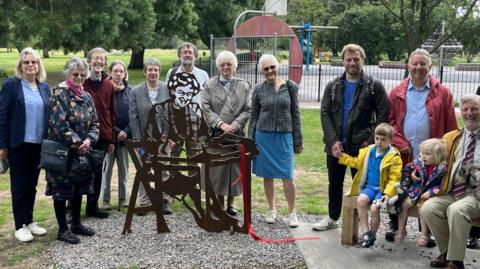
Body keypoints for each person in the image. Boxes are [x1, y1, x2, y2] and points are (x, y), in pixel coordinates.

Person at [386, 48, 457, 242]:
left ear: (430, 67)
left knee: (429, 190)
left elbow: (451, 125)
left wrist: (446, 152)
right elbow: (390, 122)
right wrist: (400, 143)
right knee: (400, 187)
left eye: (422, 64)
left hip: (432, 154)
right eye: (414, 63)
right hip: (405, 152)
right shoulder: (397, 91)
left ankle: (428, 231)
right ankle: (395, 227)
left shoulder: (442, 92)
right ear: (408, 65)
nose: (418, 67)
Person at [316, 43, 389, 231]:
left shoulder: (374, 86)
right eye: (348, 59)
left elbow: (383, 114)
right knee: (335, 183)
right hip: (336, 147)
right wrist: (332, 141)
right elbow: (325, 113)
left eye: (356, 59)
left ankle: (360, 221)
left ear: (362, 60)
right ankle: (332, 218)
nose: (352, 63)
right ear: (343, 61)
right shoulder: (332, 86)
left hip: (362, 147)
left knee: (363, 183)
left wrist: (371, 141)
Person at [423, 94, 480, 269]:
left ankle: (455, 262)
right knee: (429, 208)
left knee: (456, 210)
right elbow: (433, 155)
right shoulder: (453, 137)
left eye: (474, 109)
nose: (469, 113)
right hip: (454, 190)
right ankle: (447, 254)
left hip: (476, 194)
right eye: (465, 109)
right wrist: (417, 170)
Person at [46, 57, 99, 244]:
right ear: (68, 74)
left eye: (83, 75)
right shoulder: (59, 94)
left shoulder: (87, 96)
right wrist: (79, 144)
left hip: (82, 153)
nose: (79, 78)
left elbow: (95, 124)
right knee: (61, 191)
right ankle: (62, 229)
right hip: (63, 153)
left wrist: (89, 141)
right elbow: (60, 125)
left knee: (78, 189)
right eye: (75, 74)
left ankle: (76, 224)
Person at [0, 48, 50, 242]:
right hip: (18, 144)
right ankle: (19, 225)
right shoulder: (12, 85)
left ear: (39, 66)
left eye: (34, 62)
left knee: (32, 184)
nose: (30, 65)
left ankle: (29, 220)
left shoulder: (44, 87)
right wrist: (2, 145)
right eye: (26, 62)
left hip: (39, 145)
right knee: (19, 186)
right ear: (20, 66)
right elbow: (2, 116)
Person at [249, 54, 303, 228]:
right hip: (263, 136)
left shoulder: (291, 87)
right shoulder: (258, 89)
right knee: (268, 175)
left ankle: (292, 212)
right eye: (266, 68)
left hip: (284, 136)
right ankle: (272, 209)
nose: (270, 71)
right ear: (261, 71)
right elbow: (254, 116)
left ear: (278, 67)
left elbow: (296, 114)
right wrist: (250, 140)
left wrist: (298, 140)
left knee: (287, 176)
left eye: (272, 67)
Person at [202, 50, 252, 216]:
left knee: (233, 171)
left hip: (236, 136)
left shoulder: (244, 86)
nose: (226, 67)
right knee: (218, 171)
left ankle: (231, 205)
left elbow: (248, 109)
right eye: (222, 64)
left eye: (229, 64)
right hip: (217, 136)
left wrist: (235, 125)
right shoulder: (209, 84)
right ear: (218, 67)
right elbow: (206, 108)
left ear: (234, 66)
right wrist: (221, 124)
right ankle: (219, 204)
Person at [338, 123, 401, 248]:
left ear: (390, 140)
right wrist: (343, 157)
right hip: (370, 187)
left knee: (374, 208)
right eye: (377, 138)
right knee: (360, 201)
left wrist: (388, 194)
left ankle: (373, 234)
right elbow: (357, 163)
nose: (379, 142)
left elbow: (395, 179)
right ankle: (366, 231)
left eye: (383, 140)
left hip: (382, 191)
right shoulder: (368, 151)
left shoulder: (394, 157)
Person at [129, 58, 171, 214]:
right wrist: (138, 139)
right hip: (144, 139)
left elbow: (171, 114)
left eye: (156, 70)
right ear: (145, 72)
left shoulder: (167, 89)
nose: (153, 73)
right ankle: (145, 201)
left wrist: (169, 136)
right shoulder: (136, 91)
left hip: (163, 138)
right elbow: (133, 117)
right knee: (144, 169)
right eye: (150, 70)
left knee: (164, 169)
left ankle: (164, 200)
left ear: (159, 72)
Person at [393, 138, 448, 246]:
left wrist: (431, 192)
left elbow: (442, 184)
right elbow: (406, 169)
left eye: (427, 154)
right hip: (415, 191)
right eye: (422, 153)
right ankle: (401, 230)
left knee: (422, 209)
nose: (422, 156)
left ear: (437, 155)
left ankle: (424, 234)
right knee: (403, 205)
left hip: (429, 196)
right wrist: (411, 175)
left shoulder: (442, 169)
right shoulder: (419, 162)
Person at [83, 47, 116, 219]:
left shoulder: (108, 85)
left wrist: (111, 139)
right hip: (82, 136)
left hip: (102, 136)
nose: (99, 62)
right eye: (96, 58)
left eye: (102, 59)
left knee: (97, 172)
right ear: (89, 61)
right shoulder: (82, 82)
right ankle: (70, 207)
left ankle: (92, 206)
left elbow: (111, 112)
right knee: (78, 170)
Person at [100, 60, 131, 211]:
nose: (118, 74)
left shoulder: (130, 92)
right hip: (109, 137)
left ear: (125, 73)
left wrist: (126, 131)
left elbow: (134, 114)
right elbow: (103, 115)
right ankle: (105, 199)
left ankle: (122, 198)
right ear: (110, 73)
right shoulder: (105, 90)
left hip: (126, 138)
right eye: (115, 71)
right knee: (106, 170)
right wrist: (117, 131)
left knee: (124, 170)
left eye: (121, 71)